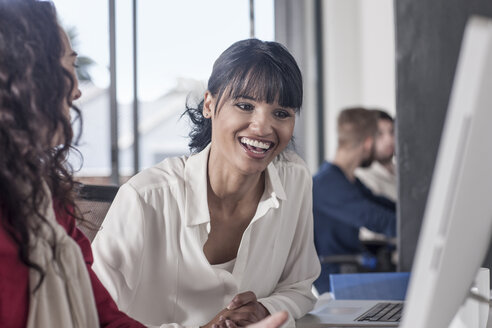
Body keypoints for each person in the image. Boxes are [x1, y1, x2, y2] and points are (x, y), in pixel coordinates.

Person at [0, 2, 291, 328]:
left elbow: (104, 318)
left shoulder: (47, 203)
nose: (78, 90)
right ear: (25, 78)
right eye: (68, 66)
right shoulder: (147, 194)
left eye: (282, 112)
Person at [92, 39, 321, 328]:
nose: (263, 127)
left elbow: (299, 287)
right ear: (210, 104)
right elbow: (88, 315)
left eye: (281, 113)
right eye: (245, 105)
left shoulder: (295, 179)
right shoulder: (146, 198)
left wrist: (263, 310)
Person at [312, 107, 396, 294]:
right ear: (368, 143)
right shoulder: (327, 184)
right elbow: (375, 218)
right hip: (337, 281)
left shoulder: (347, 180)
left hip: (354, 272)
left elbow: (382, 206)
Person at [355, 109, 397, 202]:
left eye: (392, 132)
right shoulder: (362, 178)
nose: (389, 140)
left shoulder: (402, 172)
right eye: (380, 134)